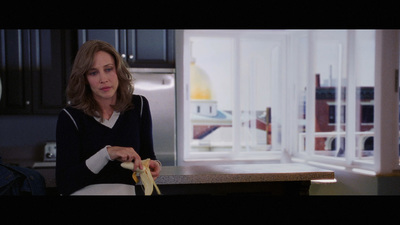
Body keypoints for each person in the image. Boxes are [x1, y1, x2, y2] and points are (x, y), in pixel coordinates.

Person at [55, 40, 161, 195]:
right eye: (93, 73)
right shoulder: (70, 117)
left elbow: (147, 156)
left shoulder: (139, 106)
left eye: (108, 69)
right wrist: (106, 154)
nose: (103, 79)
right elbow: (65, 183)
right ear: (84, 78)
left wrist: (153, 165)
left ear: (117, 70)